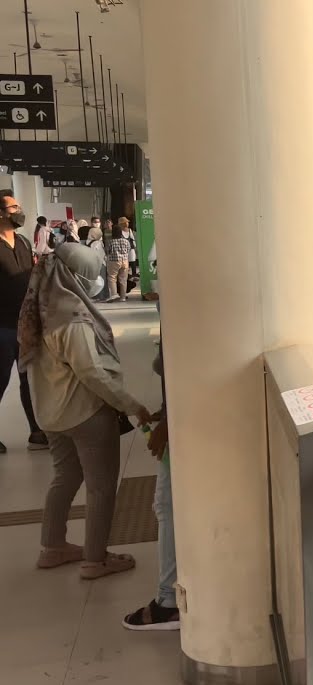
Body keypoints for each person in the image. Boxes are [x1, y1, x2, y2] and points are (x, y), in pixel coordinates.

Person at [18, 241, 151, 579]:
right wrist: (130, 404)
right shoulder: (73, 318)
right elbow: (90, 372)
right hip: (85, 414)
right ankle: (95, 559)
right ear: (75, 277)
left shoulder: (39, 308)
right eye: (91, 276)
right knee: (101, 487)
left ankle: (53, 547)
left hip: (51, 414)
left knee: (64, 478)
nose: (96, 283)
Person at [123, 340, 179, 630]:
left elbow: (191, 365)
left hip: (183, 421)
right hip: (180, 417)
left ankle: (168, 601)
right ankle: (171, 596)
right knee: (167, 505)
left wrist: (170, 421)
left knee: (167, 506)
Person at [0, 190, 48, 453]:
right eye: (13, 208)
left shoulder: (23, 242)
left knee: (29, 379)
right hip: (2, 326)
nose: (19, 211)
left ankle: (36, 431)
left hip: (26, 324)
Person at [105, 225, 131, 302]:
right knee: (123, 279)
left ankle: (114, 295)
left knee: (112, 277)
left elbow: (107, 251)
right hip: (125, 261)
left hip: (114, 261)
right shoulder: (126, 241)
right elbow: (128, 250)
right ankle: (123, 297)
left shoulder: (111, 241)